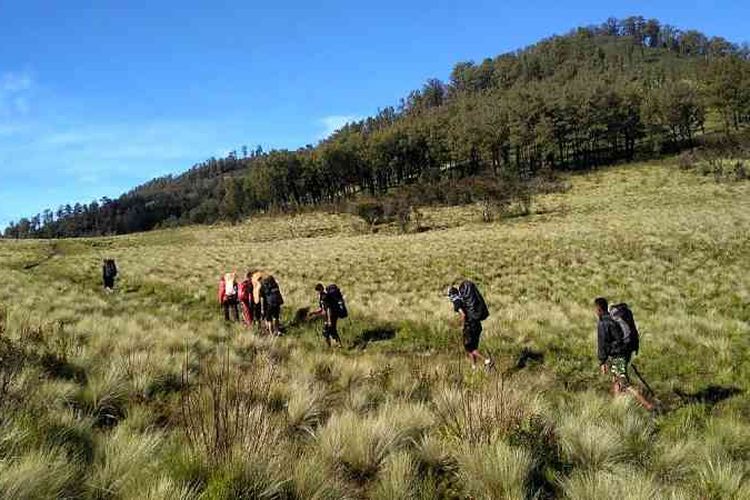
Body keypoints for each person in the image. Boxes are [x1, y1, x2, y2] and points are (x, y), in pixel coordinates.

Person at [595, 297, 654, 411]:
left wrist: (602, 362)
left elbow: (602, 343)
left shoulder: (604, 323)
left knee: (624, 383)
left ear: (599, 310)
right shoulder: (612, 319)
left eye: (596, 309)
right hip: (625, 352)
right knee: (615, 379)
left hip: (618, 356)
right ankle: (617, 406)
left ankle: (648, 405)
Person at [448, 281, 493, 370]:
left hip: (470, 326)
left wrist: (462, 325)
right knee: (472, 347)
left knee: (469, 348)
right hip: (477, 324)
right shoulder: (464, 299)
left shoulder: (457, 302)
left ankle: (487, 361)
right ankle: (474, 368)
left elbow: (463, 315)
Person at [309, 283, 343, 347]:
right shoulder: (321, 297)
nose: (318, 292)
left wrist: (329, 320)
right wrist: (313, 313)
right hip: (327, 317)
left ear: (321, 289)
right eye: (317, 291)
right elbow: (321, 309)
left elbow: (328, 309)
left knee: (330, 330)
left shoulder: (325, 297)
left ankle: (337, 344)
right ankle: (333, 345)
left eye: (318, 290)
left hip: (331, 316)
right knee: (328, 331)